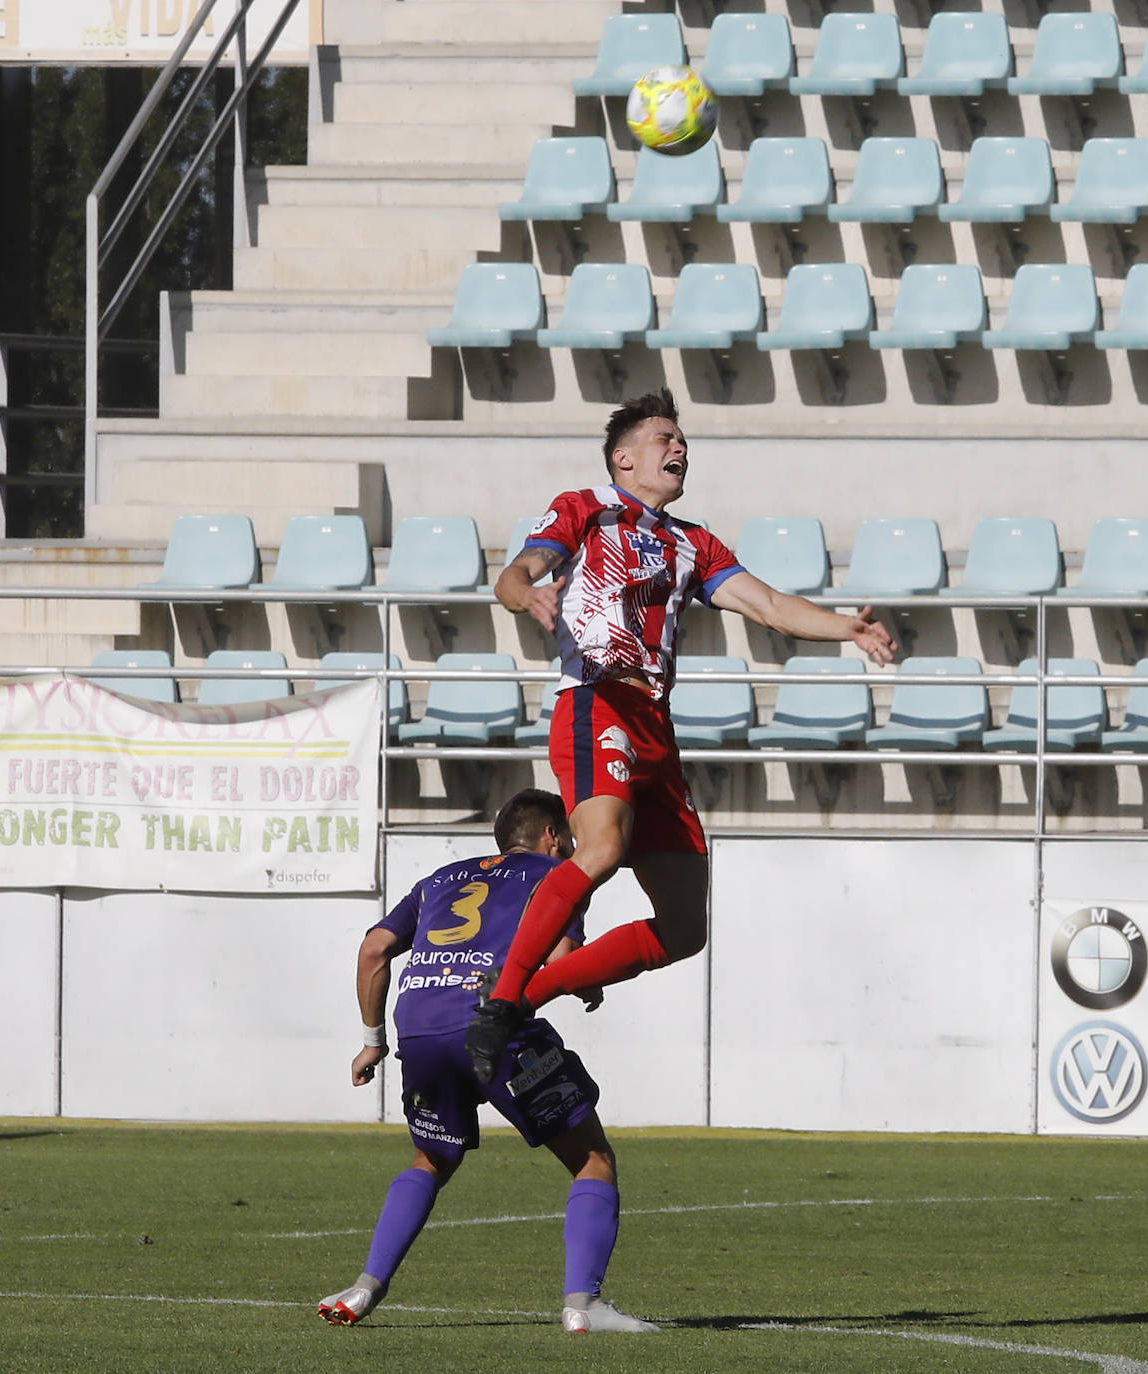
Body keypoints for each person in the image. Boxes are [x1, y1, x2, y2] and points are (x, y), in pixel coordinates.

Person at [465, 388, 897, 1086]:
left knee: (683, 930)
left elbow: (767, 605)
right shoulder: (584, 509)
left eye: (682, 440)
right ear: (622, 458)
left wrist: (843, 626)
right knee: (601, 846)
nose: (678, 448)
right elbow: (517, 573)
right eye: (664, 438)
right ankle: (504, 994)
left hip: (655, 731)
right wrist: (528, 593)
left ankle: (522, 999)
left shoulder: (691, 541)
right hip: (596, 700)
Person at [319, 787, 658, 1335]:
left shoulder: (440, 878)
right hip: (495, 1022)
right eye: (568, 836)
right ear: (553, 835)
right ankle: (584, 1306)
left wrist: (372, 1040)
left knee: (430, 1160)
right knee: (592, 1158)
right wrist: (588, 982)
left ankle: (363, 1288)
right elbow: (563, 958)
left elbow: (374, 949)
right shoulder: (560, 874)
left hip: (422, 1028)